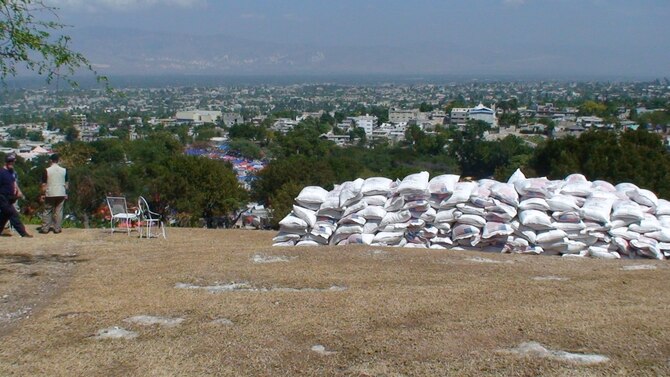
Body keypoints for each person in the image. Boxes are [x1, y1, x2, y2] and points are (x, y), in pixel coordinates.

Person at [0, 153, 32, 238]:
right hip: (2, 197)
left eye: (12, 162)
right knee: (12, 214)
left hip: (11, 197)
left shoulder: (11, 172)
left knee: (4, 216)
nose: (11, 163)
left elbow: (14, 183)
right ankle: (23, 233)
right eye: (9, 162)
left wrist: (19, 192)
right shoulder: (1, 172)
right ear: (6, 162)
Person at [39, 153, 68, 234]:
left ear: (51, 160)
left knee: (47, 210)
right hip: (61, 192)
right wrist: (66, 193)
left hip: (50, 192)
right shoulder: (64, 170)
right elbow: (66, 183)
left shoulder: (47, 170)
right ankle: (57, 228)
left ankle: (45, 228)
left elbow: (44, 184)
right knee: (59, 211)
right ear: (58, 160)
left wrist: (42, 194)